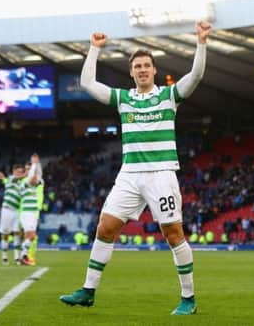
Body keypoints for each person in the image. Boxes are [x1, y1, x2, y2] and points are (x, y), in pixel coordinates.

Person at [59, 21, 210, 315]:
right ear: (131, 72)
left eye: (146, 65)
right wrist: (93, 49)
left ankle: (188, 299)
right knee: (105, 227)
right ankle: (88, 291)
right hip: (129, 175)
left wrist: (201, 43)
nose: (142, 69)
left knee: (173, 234)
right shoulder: (123, 99)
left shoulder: (169, 96)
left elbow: (196, 75)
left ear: (154, 70)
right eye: (137, 66)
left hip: (161, 174)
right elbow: (89, 84)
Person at [0, 164, 24, 265]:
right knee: (5, 234)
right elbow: (16, 177)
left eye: (21, 172)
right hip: (7, 210)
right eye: (18, 172)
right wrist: (28, 173)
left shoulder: (22, 184)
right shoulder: (11, 179)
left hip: (16, 211)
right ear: (13, 172)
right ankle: (4, 256)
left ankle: (17, 257)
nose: (20, 174)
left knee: (17, 233)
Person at [19, 154, 42, 266]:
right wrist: (33, 164)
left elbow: (38, 176)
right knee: (31, 236)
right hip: (26, 213)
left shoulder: (33, 184)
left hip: (32, 213)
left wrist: (37, 164)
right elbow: (32, 176)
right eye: (26, 169)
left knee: (30, 237)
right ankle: (23, 255)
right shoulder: (23, 182)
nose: (29, 172)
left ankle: (23, 256)